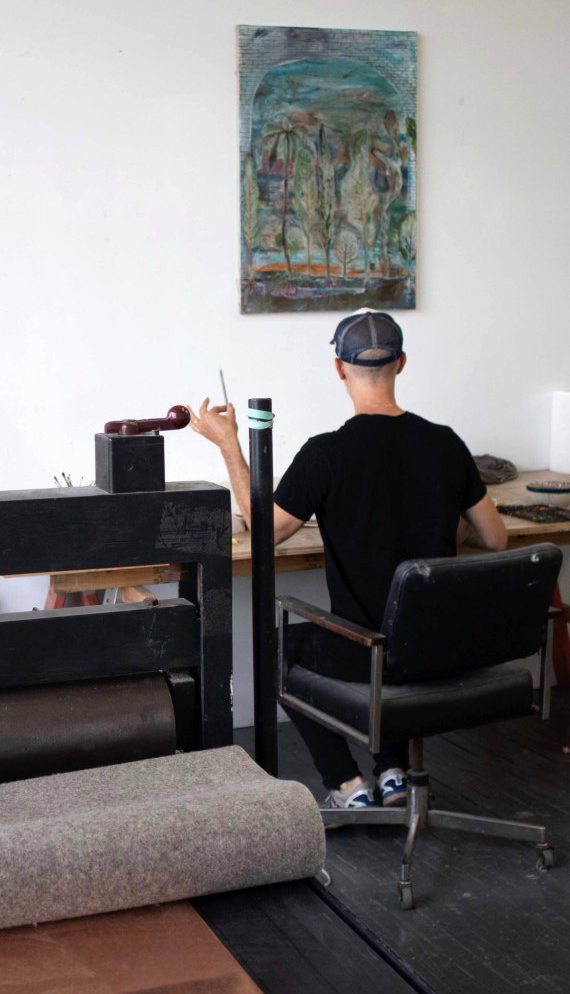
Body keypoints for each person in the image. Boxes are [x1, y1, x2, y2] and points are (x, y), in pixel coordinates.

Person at [188, 311, 507, 809]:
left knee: (279, 644)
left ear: (340, 368)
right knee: (400, 630)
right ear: (401, 363)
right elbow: (496, 538)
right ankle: (393, 771)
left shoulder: (327, 455)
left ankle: (346, 785)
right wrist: (444, 524)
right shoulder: (446, 443)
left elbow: (263, 529)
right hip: (448, 650)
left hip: (372, 654)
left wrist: (230, 444)